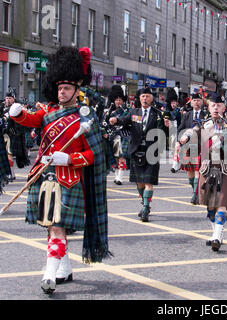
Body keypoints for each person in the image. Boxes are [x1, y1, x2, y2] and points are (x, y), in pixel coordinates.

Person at [9, 46, 111, 294]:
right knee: (51, 226)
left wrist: (69, 158)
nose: (61, 92)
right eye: (59, 88)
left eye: (66, 88)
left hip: (68, 178)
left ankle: (49, 275)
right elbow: (31, 119)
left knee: (56, 226)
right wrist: (18, 113)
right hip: (44, 176)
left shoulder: (85, 118)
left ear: (77, 89)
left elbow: (94, 155)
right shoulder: (48, 111)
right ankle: (63, 268)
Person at [178, 92, 227, 252]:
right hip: (207, 168)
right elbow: (190, 132)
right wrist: (183, 139)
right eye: (213, 105)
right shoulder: (203, 124)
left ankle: (217, 235)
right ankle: (217, 232)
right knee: (210, 205)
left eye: (219, 105)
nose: (216, 108)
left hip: (225, 168)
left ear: (224, 107)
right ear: (208, 107)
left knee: (222, 203)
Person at [109, 87, 167, 222]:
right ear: (139, 99)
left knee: (148, 181)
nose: (145, 99)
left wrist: (166, 125)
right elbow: (124, 120)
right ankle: (144, 202)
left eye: (147, 96)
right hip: (136, 149)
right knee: (139, 182)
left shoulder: (158, 113)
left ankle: (146, 207)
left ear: (151, 98)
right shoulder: (134, 112)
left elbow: (163, 131)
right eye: (142, 97)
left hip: (151, 150)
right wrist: (115, 120)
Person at [175, 92, 207, 204]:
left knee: (198, 171)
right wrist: (178, 141)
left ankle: (195, 195)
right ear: (191, 102)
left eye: (198, 100)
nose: (196, 102)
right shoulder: (187, 115)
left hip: (201, 146)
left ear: (202, 102)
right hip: (188, 146)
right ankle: (195, 190)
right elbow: (180, 128)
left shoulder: (206, 115)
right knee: (190, 172)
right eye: (194, 100)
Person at [106, 85, 131, 185]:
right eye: (116, 100)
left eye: (120, 100)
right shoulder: (110, 111)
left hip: (124, 135)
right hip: (114, 136)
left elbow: (127, 121)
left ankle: (120, 177)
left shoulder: (126, 110)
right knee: (116, 157)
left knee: (122, 156)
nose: (118, 102)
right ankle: (117, 176)